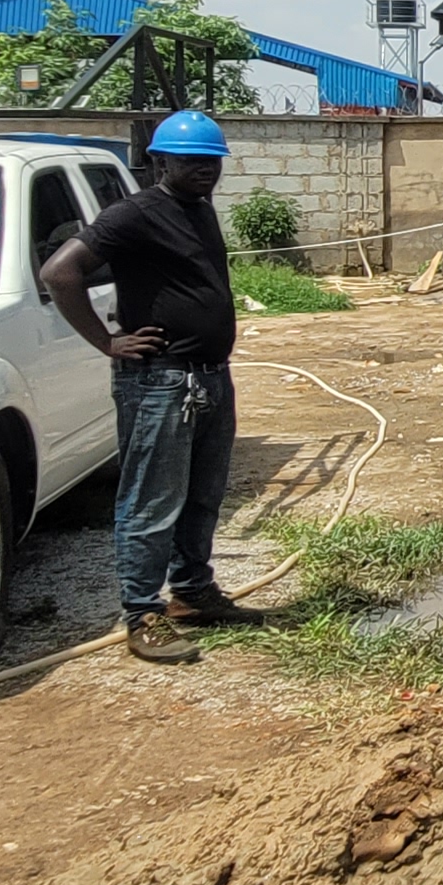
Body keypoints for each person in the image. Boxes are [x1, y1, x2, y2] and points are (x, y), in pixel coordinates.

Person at [41, 109, 268, 664]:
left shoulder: (199, 210)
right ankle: (142, 613)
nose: (203, 171)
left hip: (209, 378)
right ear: (160, 160)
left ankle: (192, 593)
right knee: (151, 501)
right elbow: (59, 272)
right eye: (190, 162)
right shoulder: (136, 214)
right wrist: (107, 342)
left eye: (211, 163)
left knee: (202, 495)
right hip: (162, 382)